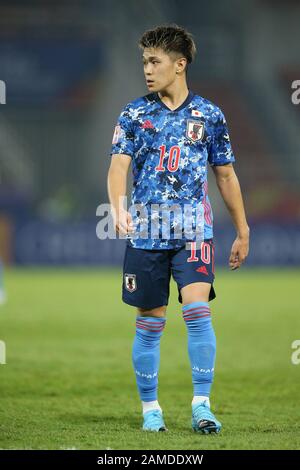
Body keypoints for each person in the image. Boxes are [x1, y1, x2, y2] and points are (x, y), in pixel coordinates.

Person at [107, 24, 249, 434]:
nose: (147, 70)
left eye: (155, 61)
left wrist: (242, 229)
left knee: (198, 312)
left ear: (179, 64)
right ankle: (151, 410)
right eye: (144, 62)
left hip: (194, 233)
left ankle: (202, 406)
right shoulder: (134, 112)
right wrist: (118, 208)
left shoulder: (210, 115)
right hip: (147, 235)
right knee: (151, 324)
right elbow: (119, 166)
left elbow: (225, 175)